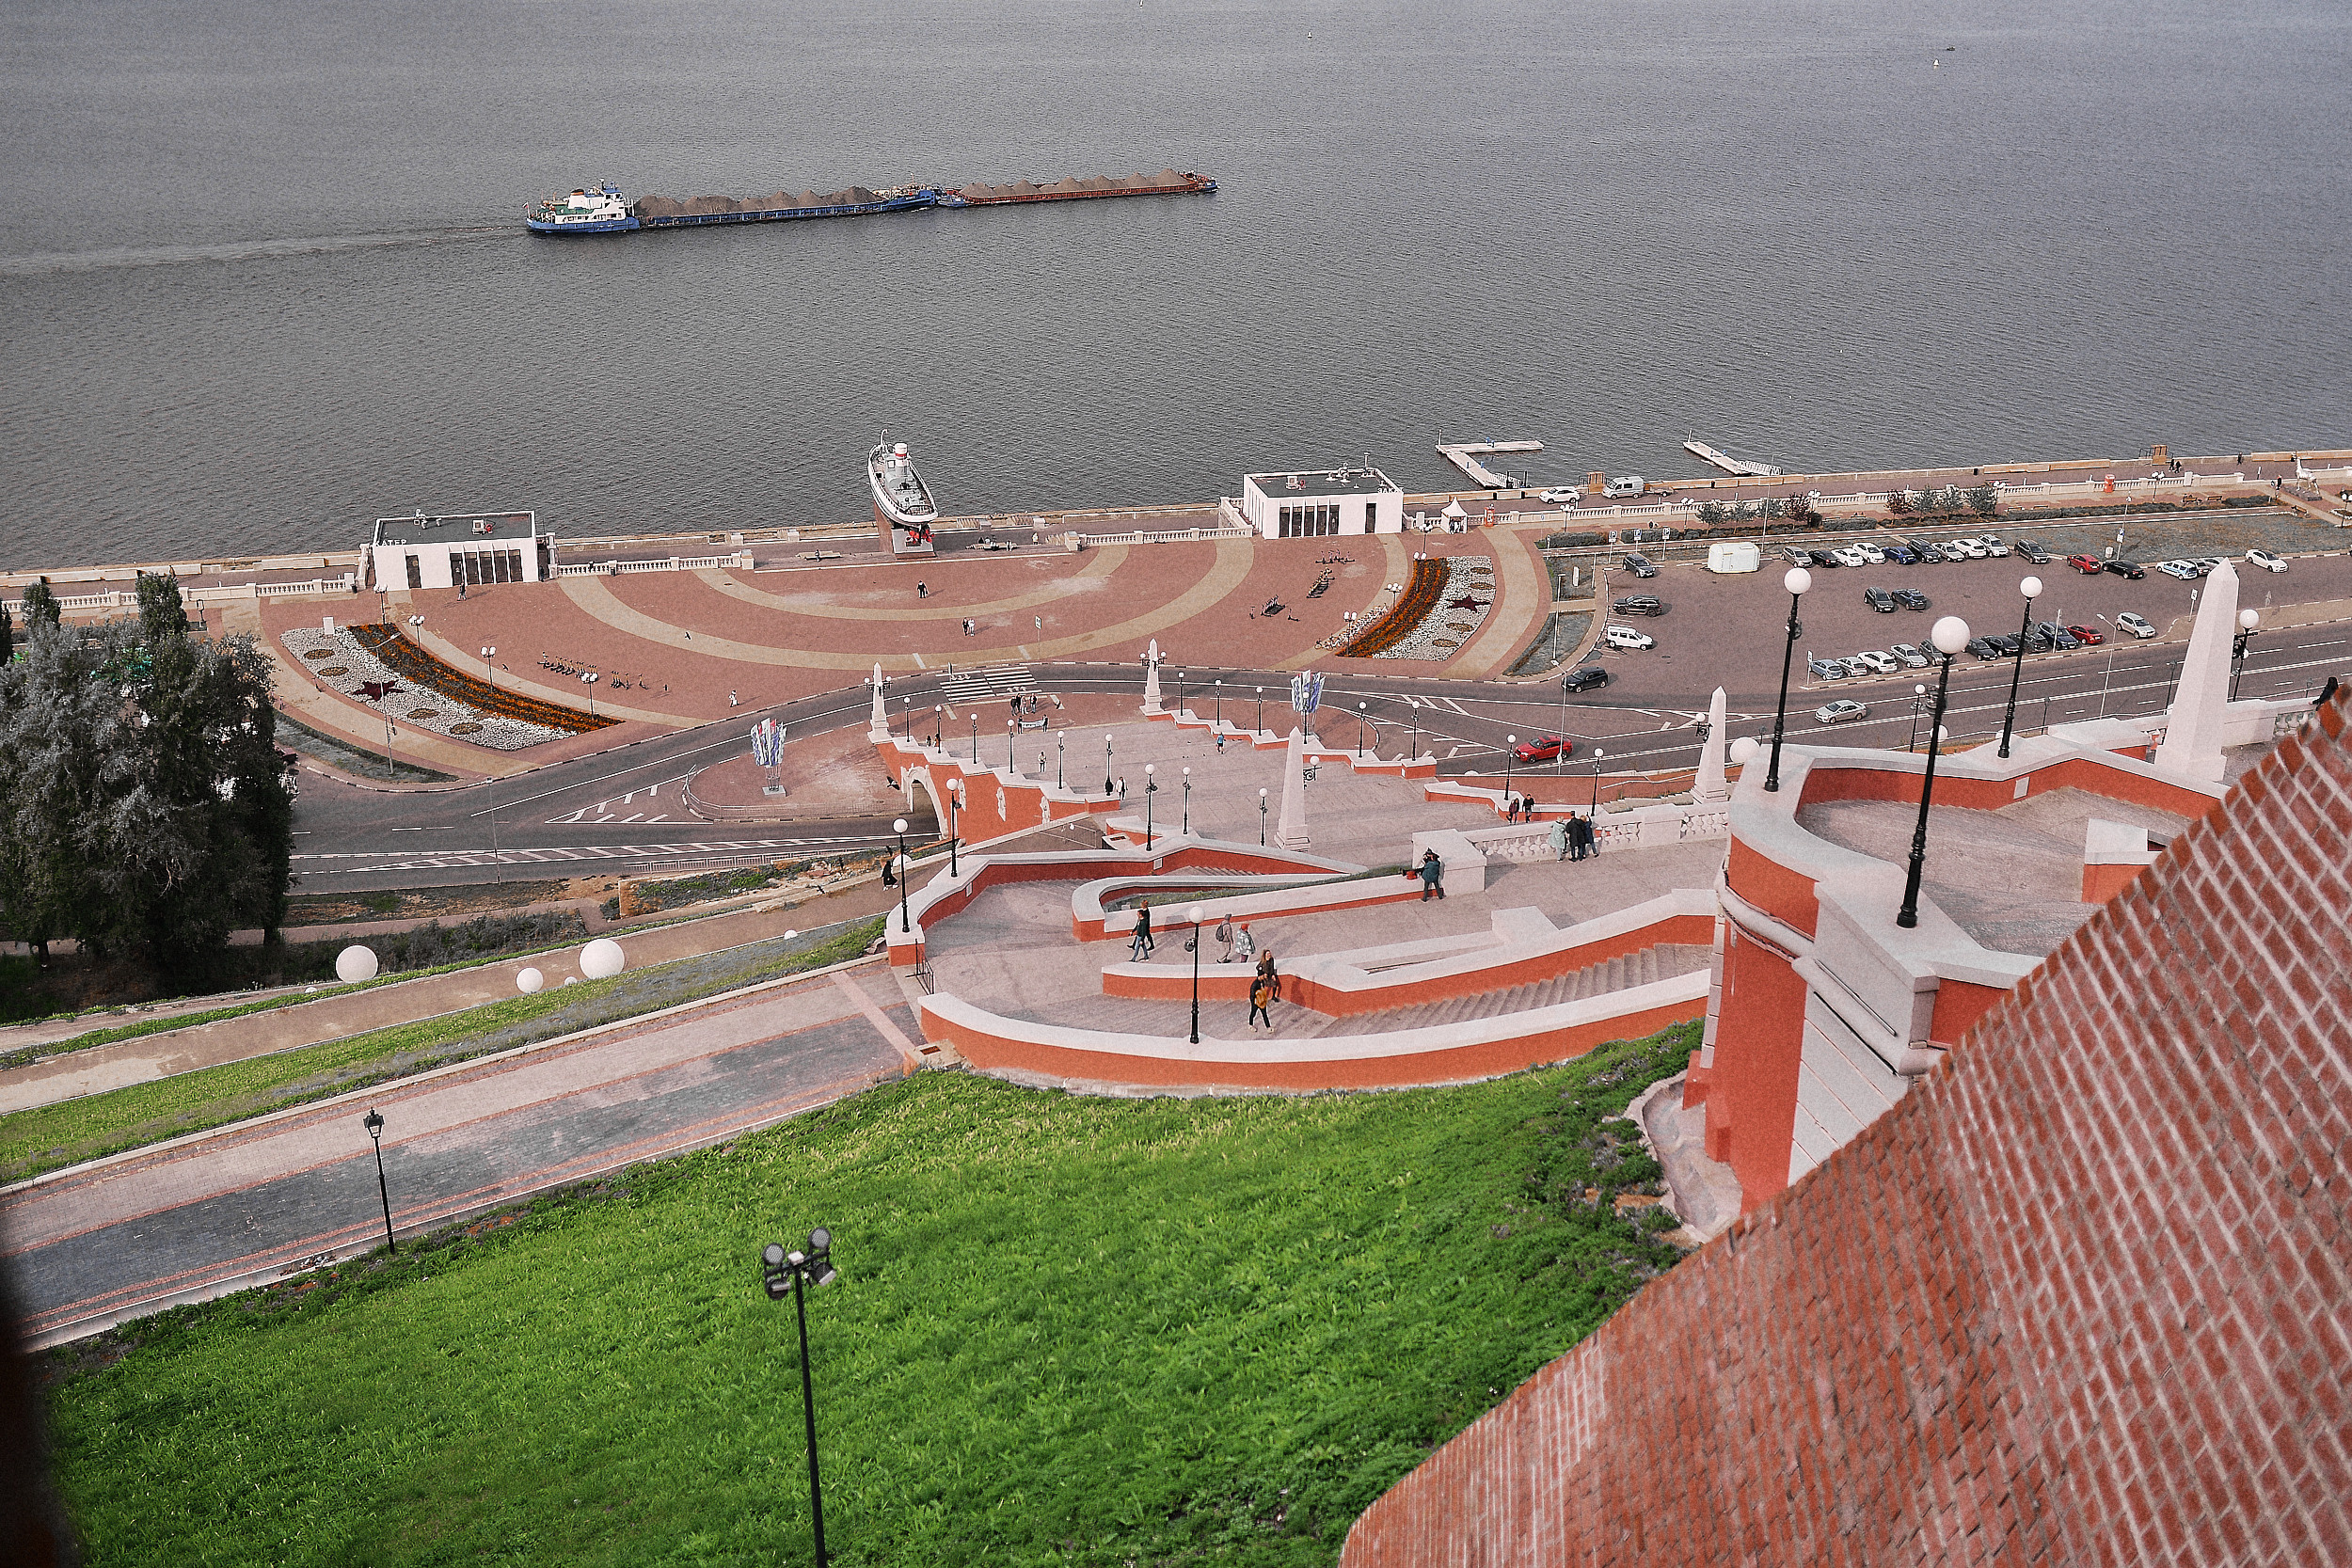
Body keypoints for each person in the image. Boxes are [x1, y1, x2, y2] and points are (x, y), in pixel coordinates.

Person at [1248, 950, 1278, 1029]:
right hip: (1255, 1001)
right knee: (1253, 1013)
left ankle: (1268, 1027)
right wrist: (1254, 1002)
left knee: (1264, 1014)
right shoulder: (1255, 984)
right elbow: (1252, 994)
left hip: (1261, 1001)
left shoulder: (1261, 982)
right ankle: (1250, 1024)